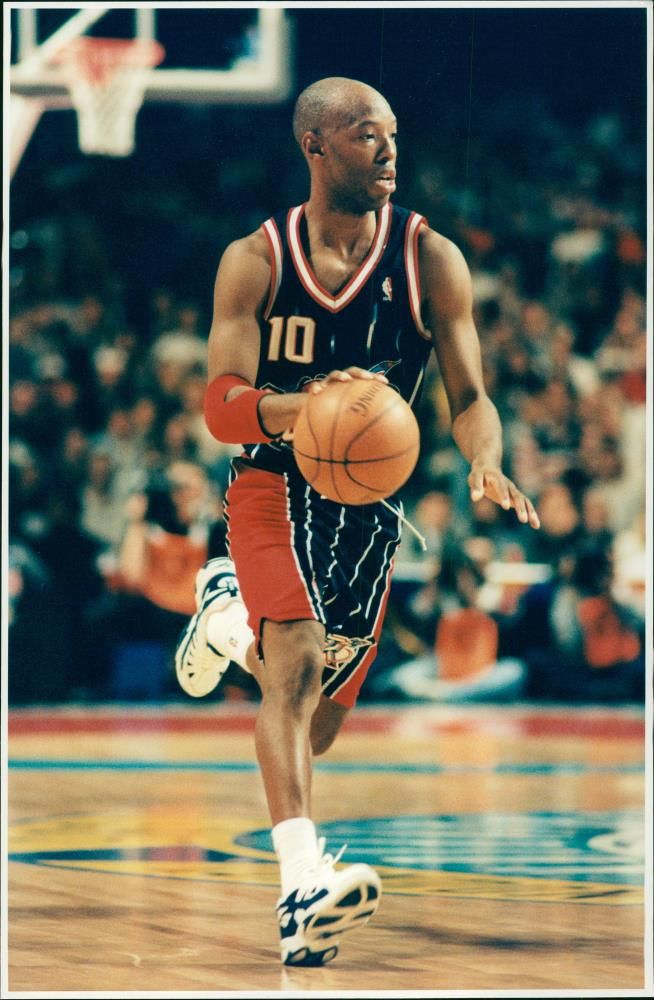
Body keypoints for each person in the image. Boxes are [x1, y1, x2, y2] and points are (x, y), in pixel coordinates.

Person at [174, 77, 540, 967]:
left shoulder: (431, 258)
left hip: (370, 511)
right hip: (271, 486)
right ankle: (301, 886)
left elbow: (472, 397)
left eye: (393, 135)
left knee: (317, 722)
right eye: (366, 134)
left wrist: (485, 457)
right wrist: (301, 411)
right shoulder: (254, 260)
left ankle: (225, 613)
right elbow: (220, 410)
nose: (388, 150)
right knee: (293, 662)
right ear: (317, 146)